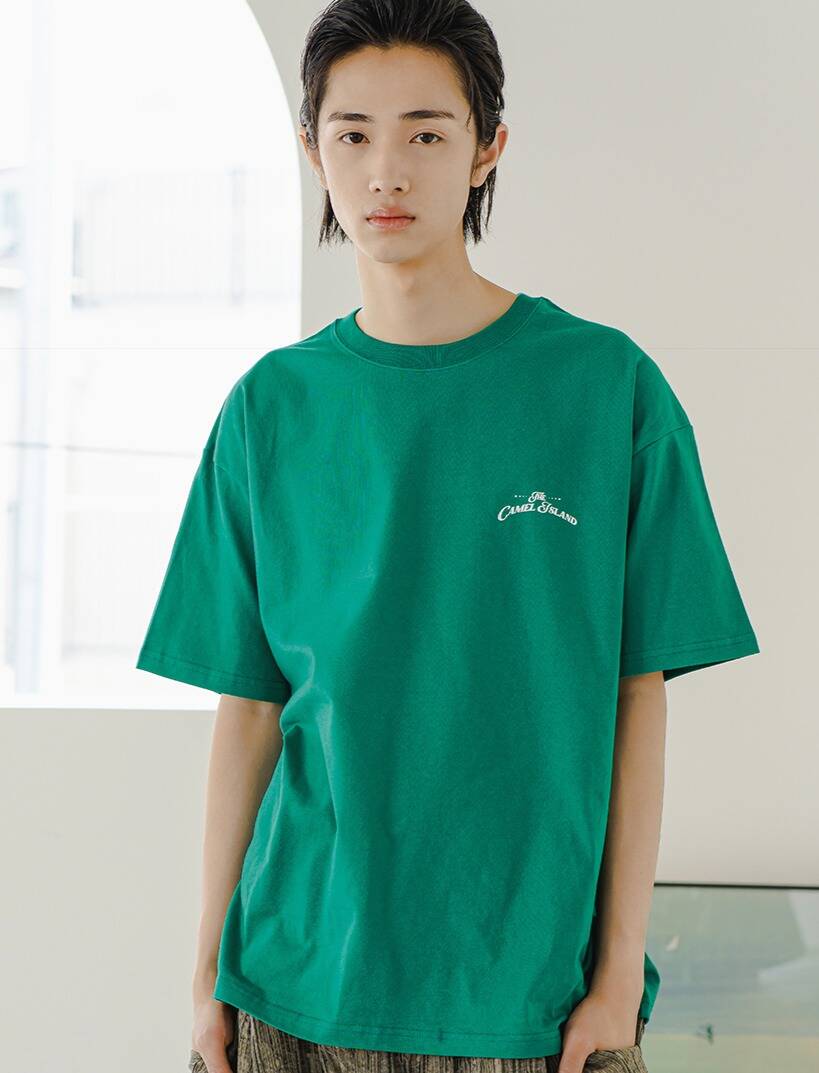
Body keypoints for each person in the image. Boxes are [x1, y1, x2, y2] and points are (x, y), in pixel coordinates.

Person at [135, 2, 761, 1071]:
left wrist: (617, 975)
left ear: (486, 149)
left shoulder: (606, 389)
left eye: (426, 132)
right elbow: (249, 711)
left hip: (534, 1001)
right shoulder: (270, 410)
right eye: (353, 134)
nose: (386, 170)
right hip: (296, 986)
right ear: (313, 151)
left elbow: (636, 695)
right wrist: (204, 975)